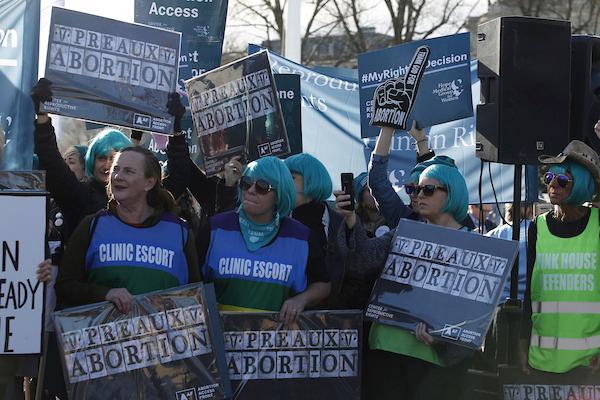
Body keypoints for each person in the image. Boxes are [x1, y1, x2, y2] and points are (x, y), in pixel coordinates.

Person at [335, 161, 473, 400]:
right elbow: (362, 262)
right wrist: (350, 221)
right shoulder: (405, 231)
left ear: (453, 193)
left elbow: (475, 313)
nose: (419, 195)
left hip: (434, 362)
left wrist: (444, 339)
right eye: (416, 189)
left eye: (428, 190)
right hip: (386, 348)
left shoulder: (475, 245)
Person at [55, 147, 200, 311]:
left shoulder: (179, 231)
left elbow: (196, 295)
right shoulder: (92, 225)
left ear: (149, 183)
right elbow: (64, 286)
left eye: (128, 171)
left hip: (162, 334)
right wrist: (105, 294)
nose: (117, 176)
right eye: (115, 169)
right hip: (107, 334)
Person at [198, 156, 331, 324]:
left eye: (262, 187)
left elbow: (323, 285)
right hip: (221, 341)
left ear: (280, 194)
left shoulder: (301, 237)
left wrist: (301, 300)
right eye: (246, 183)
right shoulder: (215, 228)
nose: (251, 190)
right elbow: (191, 286)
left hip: (273, 343)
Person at [521, 140, 600, 375]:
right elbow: (530, 293)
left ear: (582, 184)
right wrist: (522, 344)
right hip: (542, 360)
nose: (553, 185)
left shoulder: (598, 224)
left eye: (563, 180)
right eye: (549, 178)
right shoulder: (537, 227)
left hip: (589, 364)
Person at [31, 78, 132, 242]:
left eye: (115, 159)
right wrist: (42, 117)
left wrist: (176, 132)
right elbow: (53, 166)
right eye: (101, 158)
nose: (108, 165)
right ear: (91, 160)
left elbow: (178, 179)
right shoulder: (82, 196)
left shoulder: (142, 198)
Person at [486, 203, 533, 301]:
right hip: (531, 301)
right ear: (529, 209)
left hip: (500, 301)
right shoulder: (538, 231)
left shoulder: (493, 234)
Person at [354, 172, 390, 237]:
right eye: (370, 189)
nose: (378, 191)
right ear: (361, 201)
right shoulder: (352, 223)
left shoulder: (396, 220)